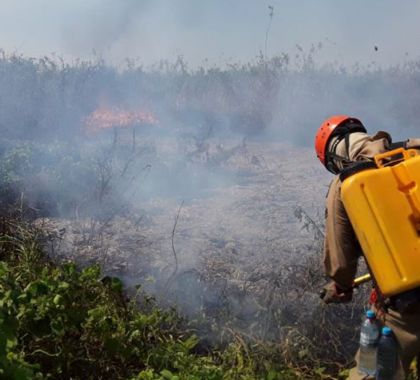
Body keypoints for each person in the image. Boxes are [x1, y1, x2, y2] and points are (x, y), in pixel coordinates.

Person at [315, 115, 420, 379]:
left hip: (405, 307)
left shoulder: (345, 184)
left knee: (370, 369)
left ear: (336, 157)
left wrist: (340, 284)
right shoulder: (414, 152)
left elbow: (340, 260)